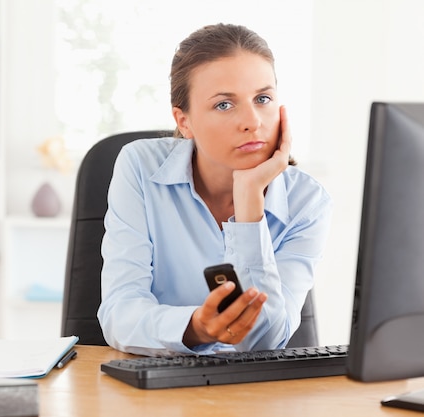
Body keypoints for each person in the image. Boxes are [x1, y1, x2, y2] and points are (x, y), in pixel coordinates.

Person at [97, 23, 333, 356]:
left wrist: (249, 199)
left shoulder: (307, 202)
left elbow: (265, 343)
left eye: (263, 98)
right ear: (184, 121)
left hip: (253, 398)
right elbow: (120, 314)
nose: (253, 121)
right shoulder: (140, 166)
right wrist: (196, 327)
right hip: (158, 390)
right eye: (224, 104)